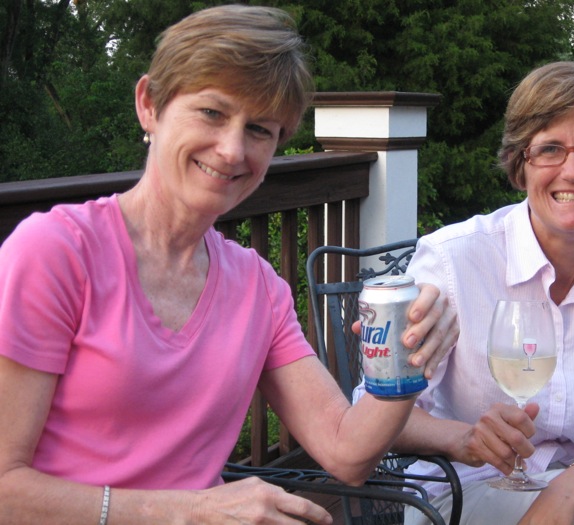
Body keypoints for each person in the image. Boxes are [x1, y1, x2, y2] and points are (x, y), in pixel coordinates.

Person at [0, 5, 458, 524]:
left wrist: (406, 361)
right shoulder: (56, 253)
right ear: (149, 105)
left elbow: (345, 452)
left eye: (260, 130)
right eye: (212, 113)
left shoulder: (257, 286)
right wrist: (183, 511)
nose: (232, 149)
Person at [357, 61, 574, 524]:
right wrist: (463, 437)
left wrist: (570, 489)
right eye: (550, 150)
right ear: (522, 166)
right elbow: (377, 407)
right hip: (472, 489)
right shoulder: (454, 260)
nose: (573, 170)